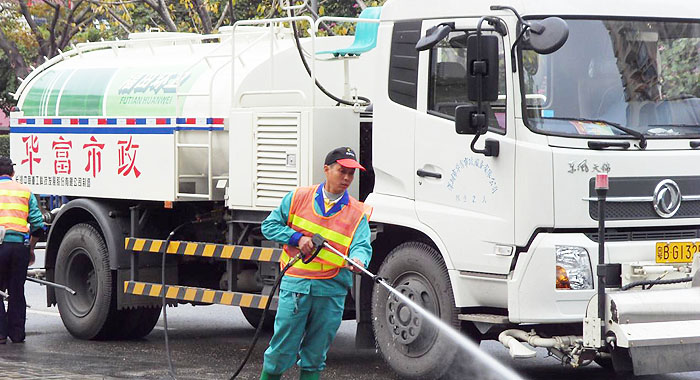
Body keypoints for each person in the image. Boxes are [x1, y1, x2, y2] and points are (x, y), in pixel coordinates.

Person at [259, 147, 373, 380]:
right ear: (326, 169)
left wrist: (360, 260)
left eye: (351, 174)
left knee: (315, 355)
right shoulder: (298, 198)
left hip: (331, 289)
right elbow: (268, 226)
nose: (347, 178)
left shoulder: (357, 212)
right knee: (281, 351)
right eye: (342, 171)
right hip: (297, 286)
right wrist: (298, 239)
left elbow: (361, 245)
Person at [0, 157, 45, 344]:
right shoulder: (25, 191)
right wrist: (32, 249)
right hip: (20, 248)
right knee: (17, 290)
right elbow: (38, 226)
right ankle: (17, 334)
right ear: (12, 173)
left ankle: (0, 334)